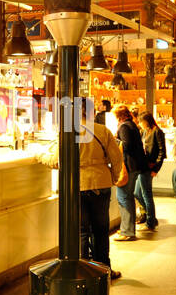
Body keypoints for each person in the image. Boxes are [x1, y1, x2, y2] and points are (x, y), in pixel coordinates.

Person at [38, 98, 124, 279]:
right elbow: (116, 159)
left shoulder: (68, 131)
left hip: (77, 185)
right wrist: (113, 179)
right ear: (92, 112)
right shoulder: (103, 131)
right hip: (101, 183)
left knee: (82, 231)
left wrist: (40, 155)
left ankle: (85, 273)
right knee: (101, 231)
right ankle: (104, 271)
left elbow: (55, 161)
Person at [113, 106, 147, 242]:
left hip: (128, 166)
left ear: (119, 116)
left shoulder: (124, 127)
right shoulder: (132, 125)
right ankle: (127, 228)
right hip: (136, 165)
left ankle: (127, 231)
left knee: (123, 197)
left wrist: (114, 140)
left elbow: (125, 145)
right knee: (127, 197)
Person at [137, 112, 166, 231]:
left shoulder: (157, 131)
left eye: (141, 121)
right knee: (137, 192)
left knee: (146, 194)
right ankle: (151, 218)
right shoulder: (144, 131)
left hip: (149, 166)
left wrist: (156, 168)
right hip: (143, 165)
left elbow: (162, 151)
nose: (140, 124)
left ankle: (150, 222)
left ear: (146, 121)